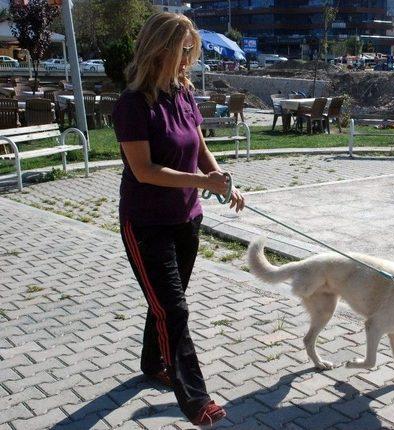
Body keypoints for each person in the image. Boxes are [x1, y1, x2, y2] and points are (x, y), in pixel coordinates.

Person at [112, 12, 244, 427]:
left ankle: (153, 362)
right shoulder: (132, 105)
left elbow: (200, 147)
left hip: (187, 217)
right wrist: (201, 179)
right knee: (175, 308)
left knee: (166, 304)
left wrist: (221, 179)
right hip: (146, 223)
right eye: (184, 49)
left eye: (193, 49)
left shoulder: (183, 93)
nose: (190, 57)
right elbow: (145, 170)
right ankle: (195, 399)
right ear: (160, 49)